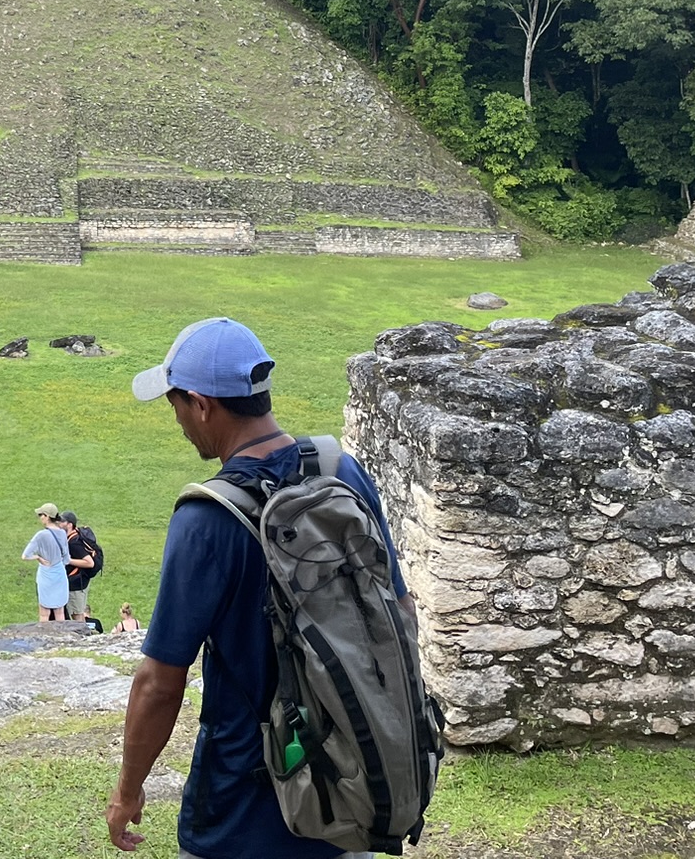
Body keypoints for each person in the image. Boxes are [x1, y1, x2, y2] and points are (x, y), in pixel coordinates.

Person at [105, 317, 413, 859]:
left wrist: (127, 791)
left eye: (174, 403)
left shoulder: (207, 517)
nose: (176, 419)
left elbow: (159, 680)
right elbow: (399, 608)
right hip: (353, 784)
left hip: (244, 805)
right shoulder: (342, 471)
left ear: (201, 404)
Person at [22, 503, 71, 622]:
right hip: (59, 573)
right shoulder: (62, 533)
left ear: (47, 516)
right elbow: (66, 558)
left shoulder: (41, 535)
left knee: (44, 614)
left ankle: (44, 637)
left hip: (46, 573)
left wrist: (38, 558)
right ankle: (62, 637)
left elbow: (25, 556)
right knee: (60, 612)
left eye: (41, 515)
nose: (40, 517)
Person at [61, 511, 101, 622]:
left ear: (70, 524)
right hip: (81, 582)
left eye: (62, 521)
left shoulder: (74, 542)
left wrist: (68, 561)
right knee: (77, 614)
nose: (59, 523)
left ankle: (82, 637)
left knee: (77, 616)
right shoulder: (76, 536)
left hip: (76, 585)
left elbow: (89, 563)